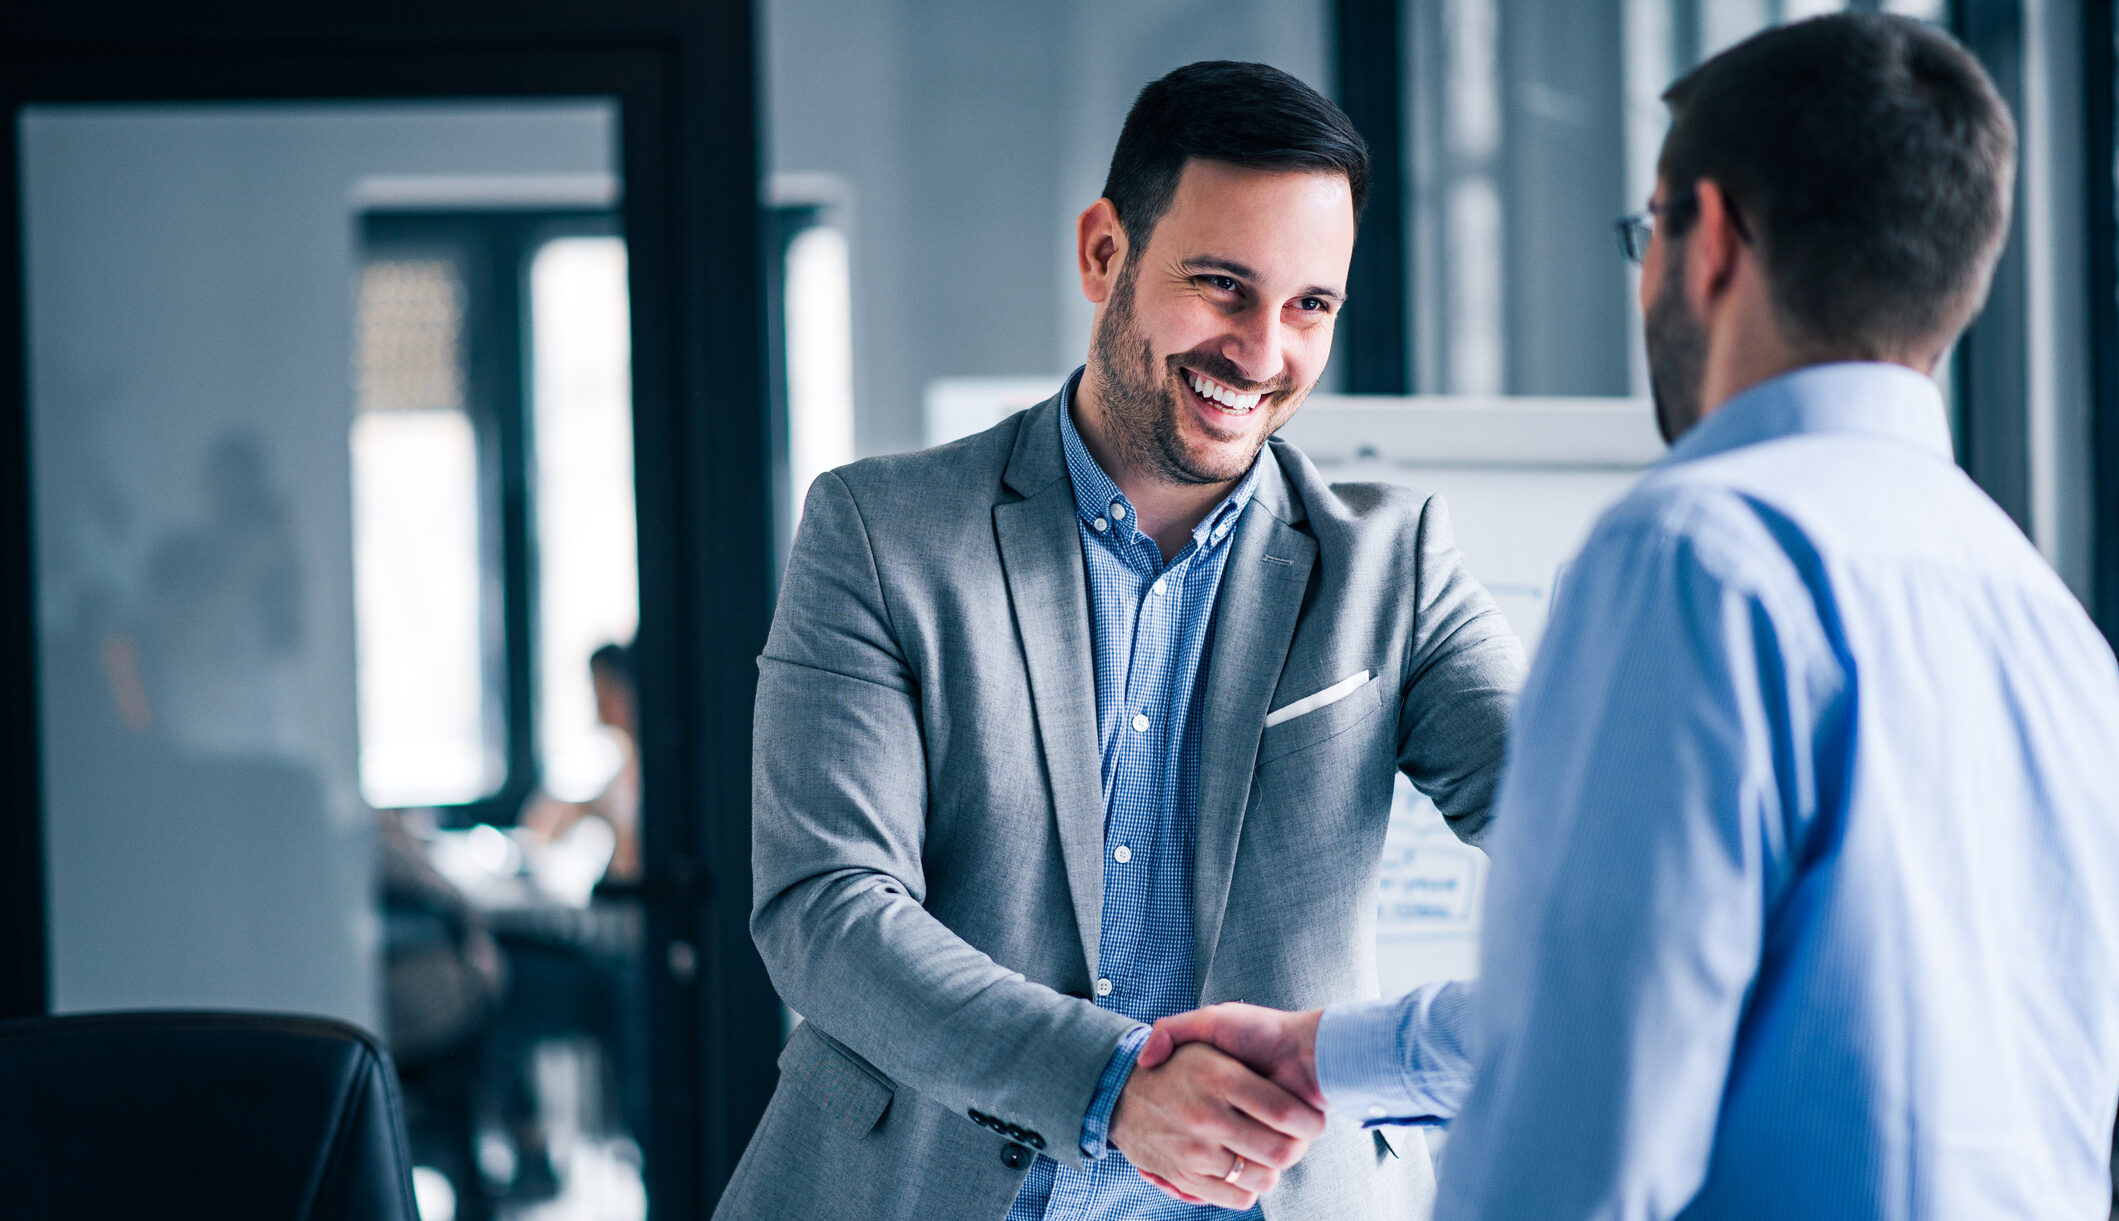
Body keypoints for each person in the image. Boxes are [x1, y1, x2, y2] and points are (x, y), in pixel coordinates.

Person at [1139, 13, 2119, 1219]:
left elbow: (1583, 1112)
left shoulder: (1698, 555)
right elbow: (1673, 989)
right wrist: (1326, 1054)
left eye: (1644, 233)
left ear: (1704, 238)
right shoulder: (2047, 621)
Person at [718, 60, 1525, 1221]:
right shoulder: (880, 533)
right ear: (1105, 252)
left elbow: (1585, 827)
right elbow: (826, 909)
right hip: (916, 1189)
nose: (1260, 351)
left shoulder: (1389, 569)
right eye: (1220, 286)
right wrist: (1108, 1089)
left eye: (1310, 306)